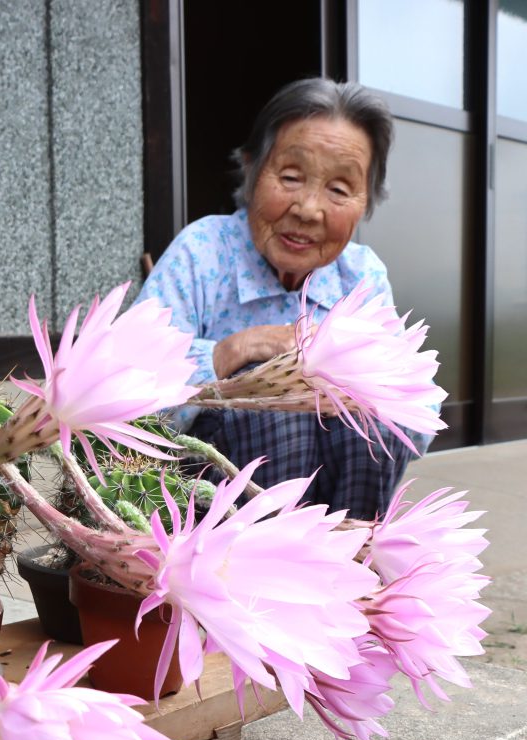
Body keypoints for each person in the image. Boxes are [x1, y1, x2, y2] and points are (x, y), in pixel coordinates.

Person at [137, 78, 430, 521]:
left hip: (339, 508)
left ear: (366, 200)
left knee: (374, 415)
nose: (309, 209)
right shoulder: (202, 251)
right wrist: (232, 352)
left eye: (338, 189)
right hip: (205, 511)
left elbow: (417, 410)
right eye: (291, 177)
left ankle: (349, 566)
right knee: (274, 400)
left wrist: (359, 389)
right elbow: (131, 390)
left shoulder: (361, 273)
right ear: (252, 170)